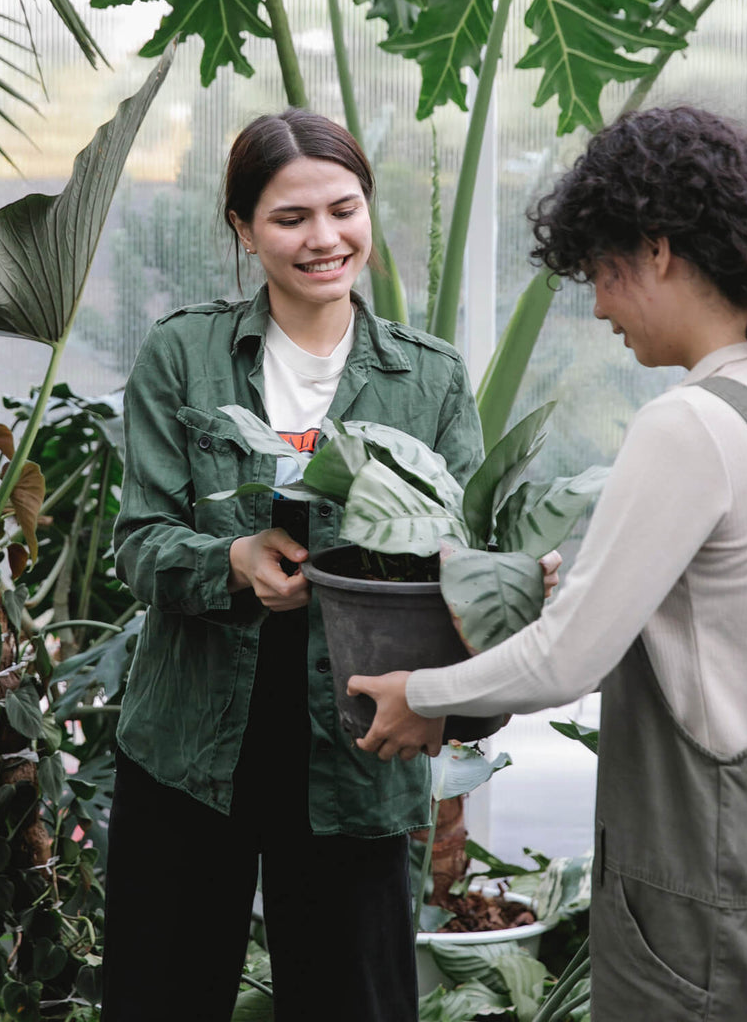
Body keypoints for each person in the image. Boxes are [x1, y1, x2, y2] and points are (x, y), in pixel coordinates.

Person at [348, 105, 747, 1020]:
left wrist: (418, 693)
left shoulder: (690, 424)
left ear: (657, 249)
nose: (598, 307)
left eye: (602, 273)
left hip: (698, 884)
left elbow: (564, 660)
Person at [100, 108, 487, 1021]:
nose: (325, 239)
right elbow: (140, 542)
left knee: (353, 999)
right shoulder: (185, 356)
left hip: (357, 744)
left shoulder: (427, 378)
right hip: (193, 743)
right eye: (290, 218)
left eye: (344, 210)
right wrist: (233, 559)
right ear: (241, 228)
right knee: (163, 995)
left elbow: (459, 561)